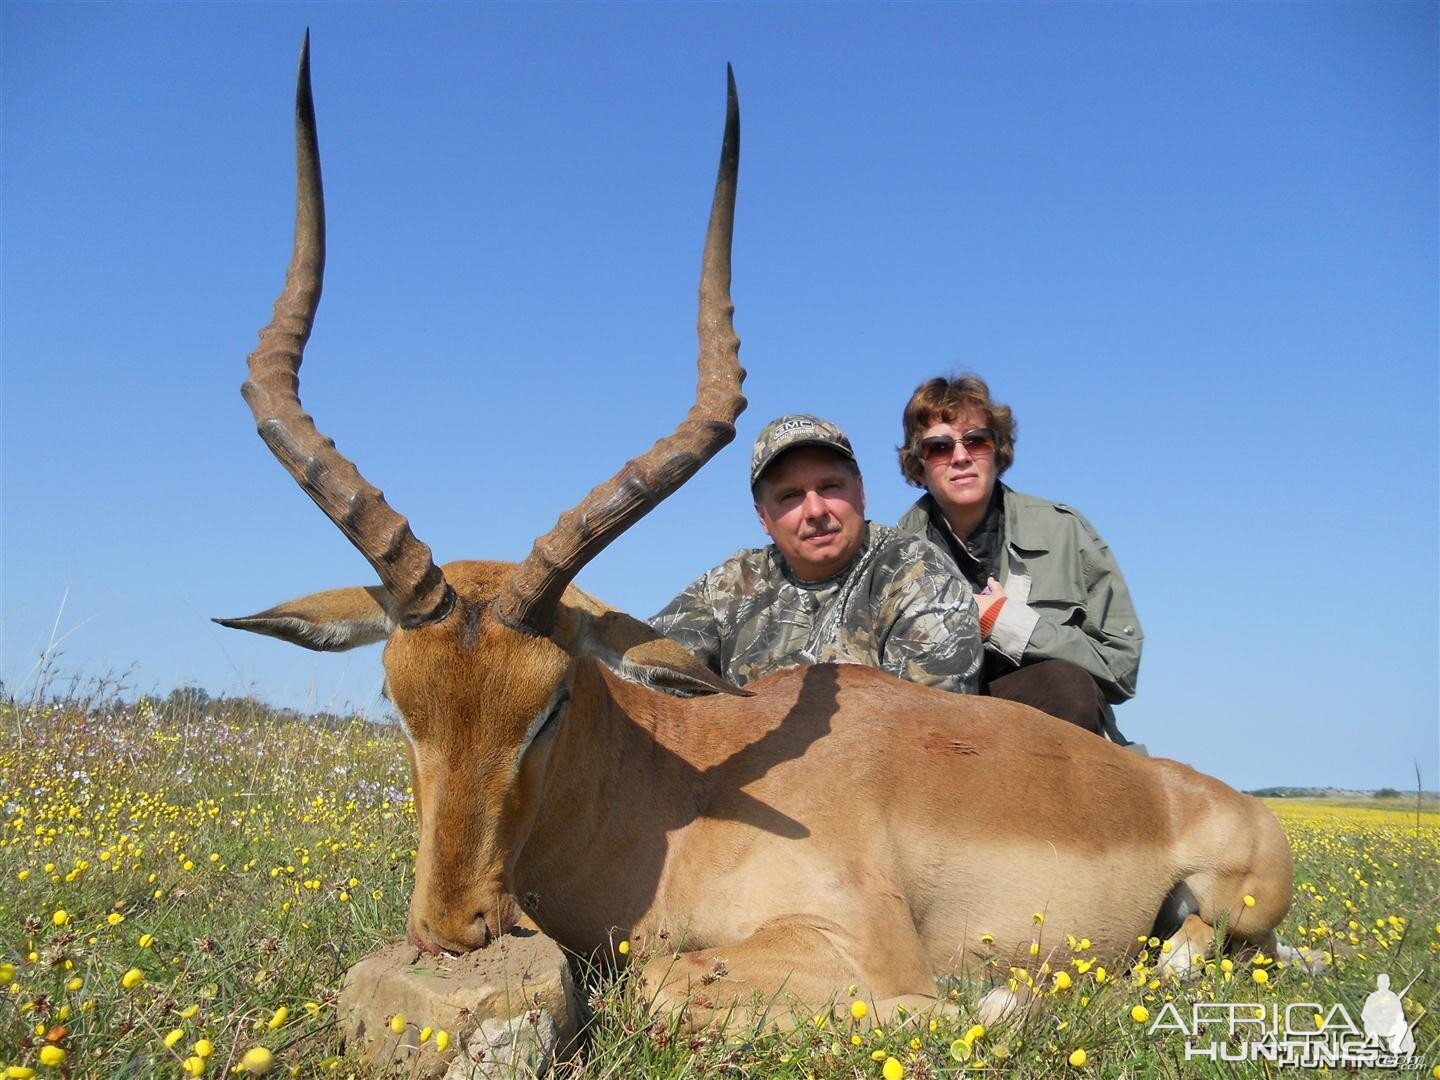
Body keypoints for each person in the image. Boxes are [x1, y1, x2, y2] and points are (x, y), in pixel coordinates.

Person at [651, 413, 982, 694]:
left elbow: (925, 729)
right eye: (790, 496)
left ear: (861, 491)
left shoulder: (918, 574)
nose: (814, 509)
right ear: (763, 518)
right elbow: (645, 672)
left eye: (829, 487)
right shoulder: (727, 587)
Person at [895, 375, 1142, 739]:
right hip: (938, 741)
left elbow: (1121, 668)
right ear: (918, 464)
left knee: (1065, 687)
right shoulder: (893, 558)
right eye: (940, 447)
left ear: (999, 450)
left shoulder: (1064, 532)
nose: (961, 457)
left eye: (976, 441)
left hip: (1054, 743)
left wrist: (1008, 624)